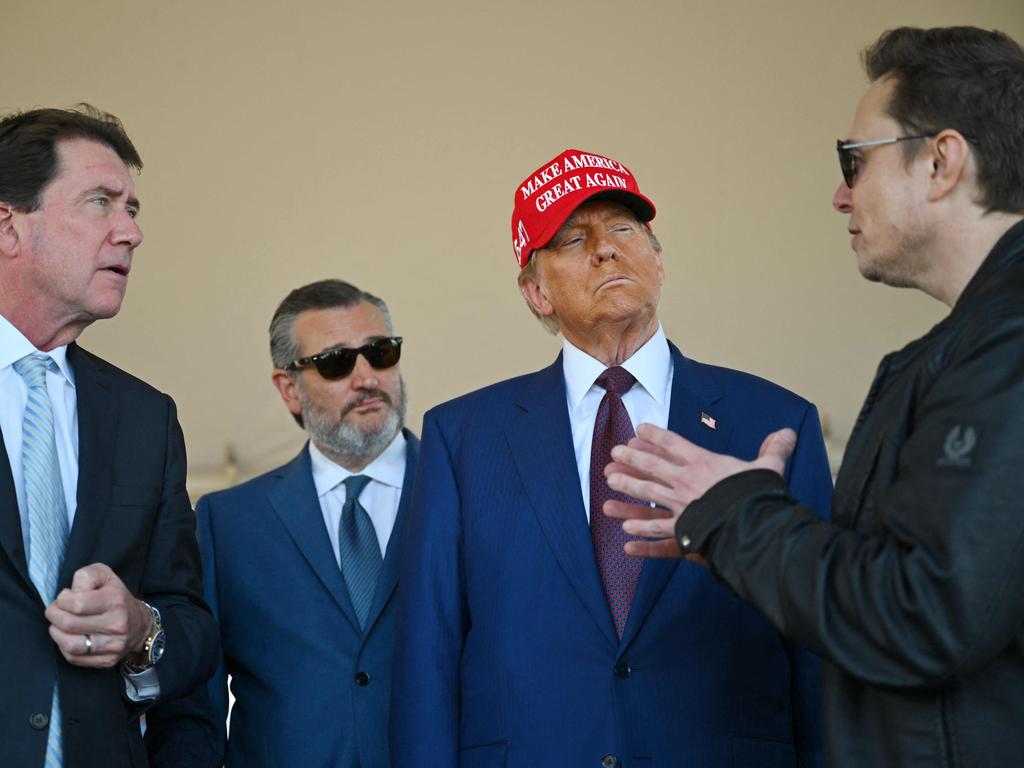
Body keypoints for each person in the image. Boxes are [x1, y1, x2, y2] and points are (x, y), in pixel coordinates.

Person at [603, 26, 1024, 768]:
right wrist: (740, 529)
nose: (838, 194)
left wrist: (738, 516)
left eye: (853, 161)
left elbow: (921, 615)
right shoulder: (953, 353)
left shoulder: (1007, 348)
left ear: (941, 161)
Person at [392, 149, 834, 767]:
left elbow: (820, 645)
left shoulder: (775, 423)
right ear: (536, 292)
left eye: (623, 229)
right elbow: (428, 652)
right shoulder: (462, 437)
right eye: (573, 238)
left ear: (658, 260)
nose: (605, 249)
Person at [0, 105, 218, 767]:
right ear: (8, 226)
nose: (132, 231)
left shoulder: (144, 418)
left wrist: (141, 629)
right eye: (101, 203)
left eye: (133, 208)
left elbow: (193, 627)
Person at [145, 279, 418, 768]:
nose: (366, 377)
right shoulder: (228, 522)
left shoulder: (463, 492)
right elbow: (192, 705)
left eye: (380, 352)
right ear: (289, 388)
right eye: (336, 361)